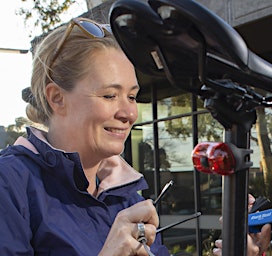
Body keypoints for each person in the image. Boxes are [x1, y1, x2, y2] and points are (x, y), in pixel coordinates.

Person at [0, 17, 169, 255]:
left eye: (131, 97)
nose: (129, 113)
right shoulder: (9, 184)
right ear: (57, 98)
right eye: (110, 95)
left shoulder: (125, 195)